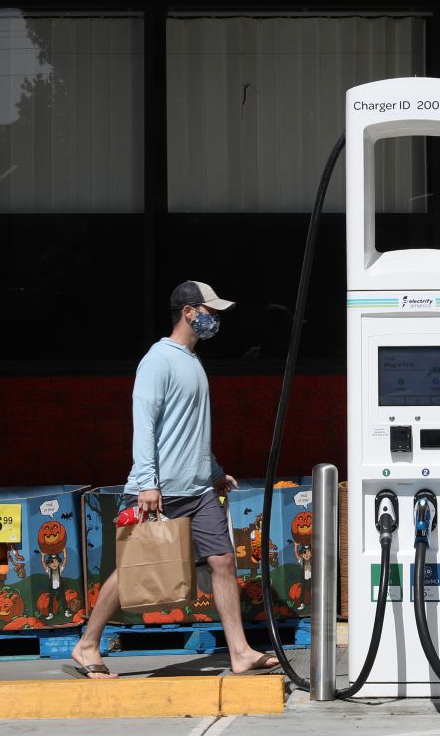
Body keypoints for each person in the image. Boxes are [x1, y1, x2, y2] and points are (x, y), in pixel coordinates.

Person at [67, 281, 279, 678]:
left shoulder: (192, 360)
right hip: (160, 492)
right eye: (209, 311)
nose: (214, 319)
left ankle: (240, 652)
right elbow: (143, 424)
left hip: (198, 490)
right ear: (188, 311)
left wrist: (214, 472)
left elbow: (190, 429)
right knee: (133, 568)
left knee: (222, 560)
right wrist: (147, 481)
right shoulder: (158, 360)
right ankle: (87, 643)